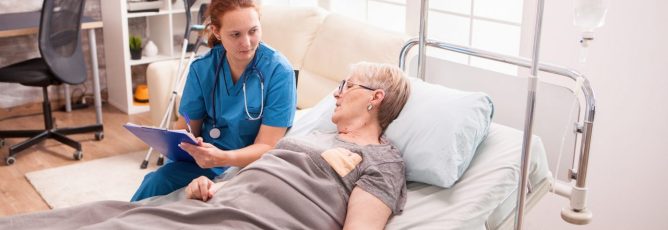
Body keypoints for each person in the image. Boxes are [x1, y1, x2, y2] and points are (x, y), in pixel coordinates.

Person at [0, 62, 411, 229]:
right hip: (219, 204)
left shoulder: (382, 161)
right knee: (95, 213)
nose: (337, 94)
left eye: (348, 86)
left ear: (375, 98)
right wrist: (214, 186)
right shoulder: (314, 135)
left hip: (249, 223)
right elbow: (259, 173)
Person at [131, 0, 297, 201]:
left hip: (248, 167)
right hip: (203, 163)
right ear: (216, 31)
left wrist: (221, 157)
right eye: (235, 34)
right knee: (157, 181)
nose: (246, 42)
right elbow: (186, 127)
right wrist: (190, 143)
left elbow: (268, 146)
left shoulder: (279, 72)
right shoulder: (202, 68)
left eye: (253, 31)